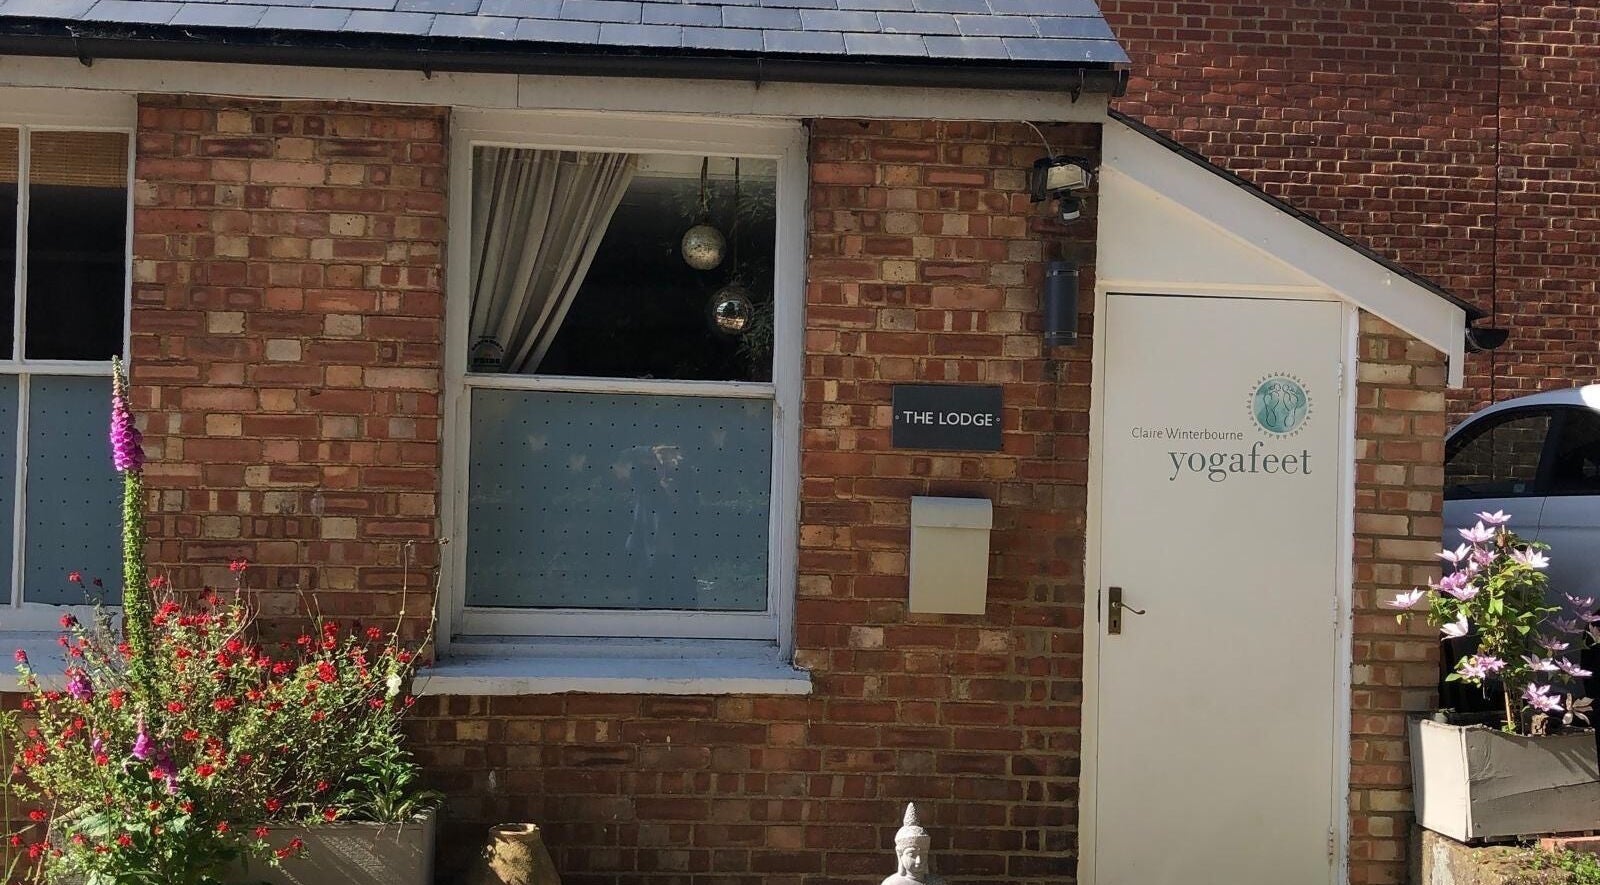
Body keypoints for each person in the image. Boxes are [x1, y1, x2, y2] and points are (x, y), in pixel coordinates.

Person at [882, 803, 946, 885]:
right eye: (912, 855)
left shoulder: (937, 882)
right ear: (900, 854)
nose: (918, 861)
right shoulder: (892, 883)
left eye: (923, 854)